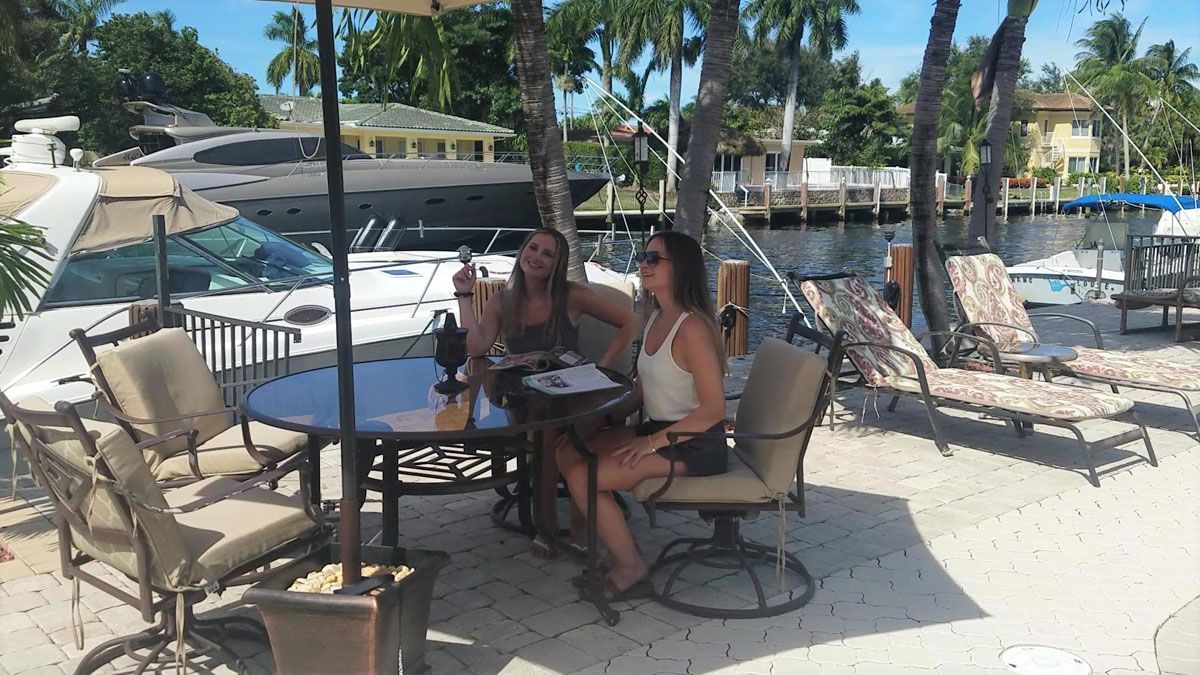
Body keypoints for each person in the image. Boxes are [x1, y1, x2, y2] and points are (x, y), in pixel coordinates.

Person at [556, 230, 728, 600]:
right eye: (643, 257)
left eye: (654, 259)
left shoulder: (692, 327)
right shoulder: (655, 318)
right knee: (568, 450)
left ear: (680, 268)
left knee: (585, 476)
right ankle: (605, 545)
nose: (643, 264)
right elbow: (643, 388)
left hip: (693, 444)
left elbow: (714, 409)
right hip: (660, 430)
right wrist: (601, 411)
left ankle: (631, 566)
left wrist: (648, 445)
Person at [452, 228, 638, 554]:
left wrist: (604, 367)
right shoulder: (501, 300)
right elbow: (477, 347)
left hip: (576, 393)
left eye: (547, 253)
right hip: (527, 398)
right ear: (522, 251)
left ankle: (563, 527)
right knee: (547, 431)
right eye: (532, 248)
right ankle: (553, 525)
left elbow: (631, 322)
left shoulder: (571, 296)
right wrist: (464, 296)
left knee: (561, 434)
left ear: (557, 263)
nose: (536, 257)